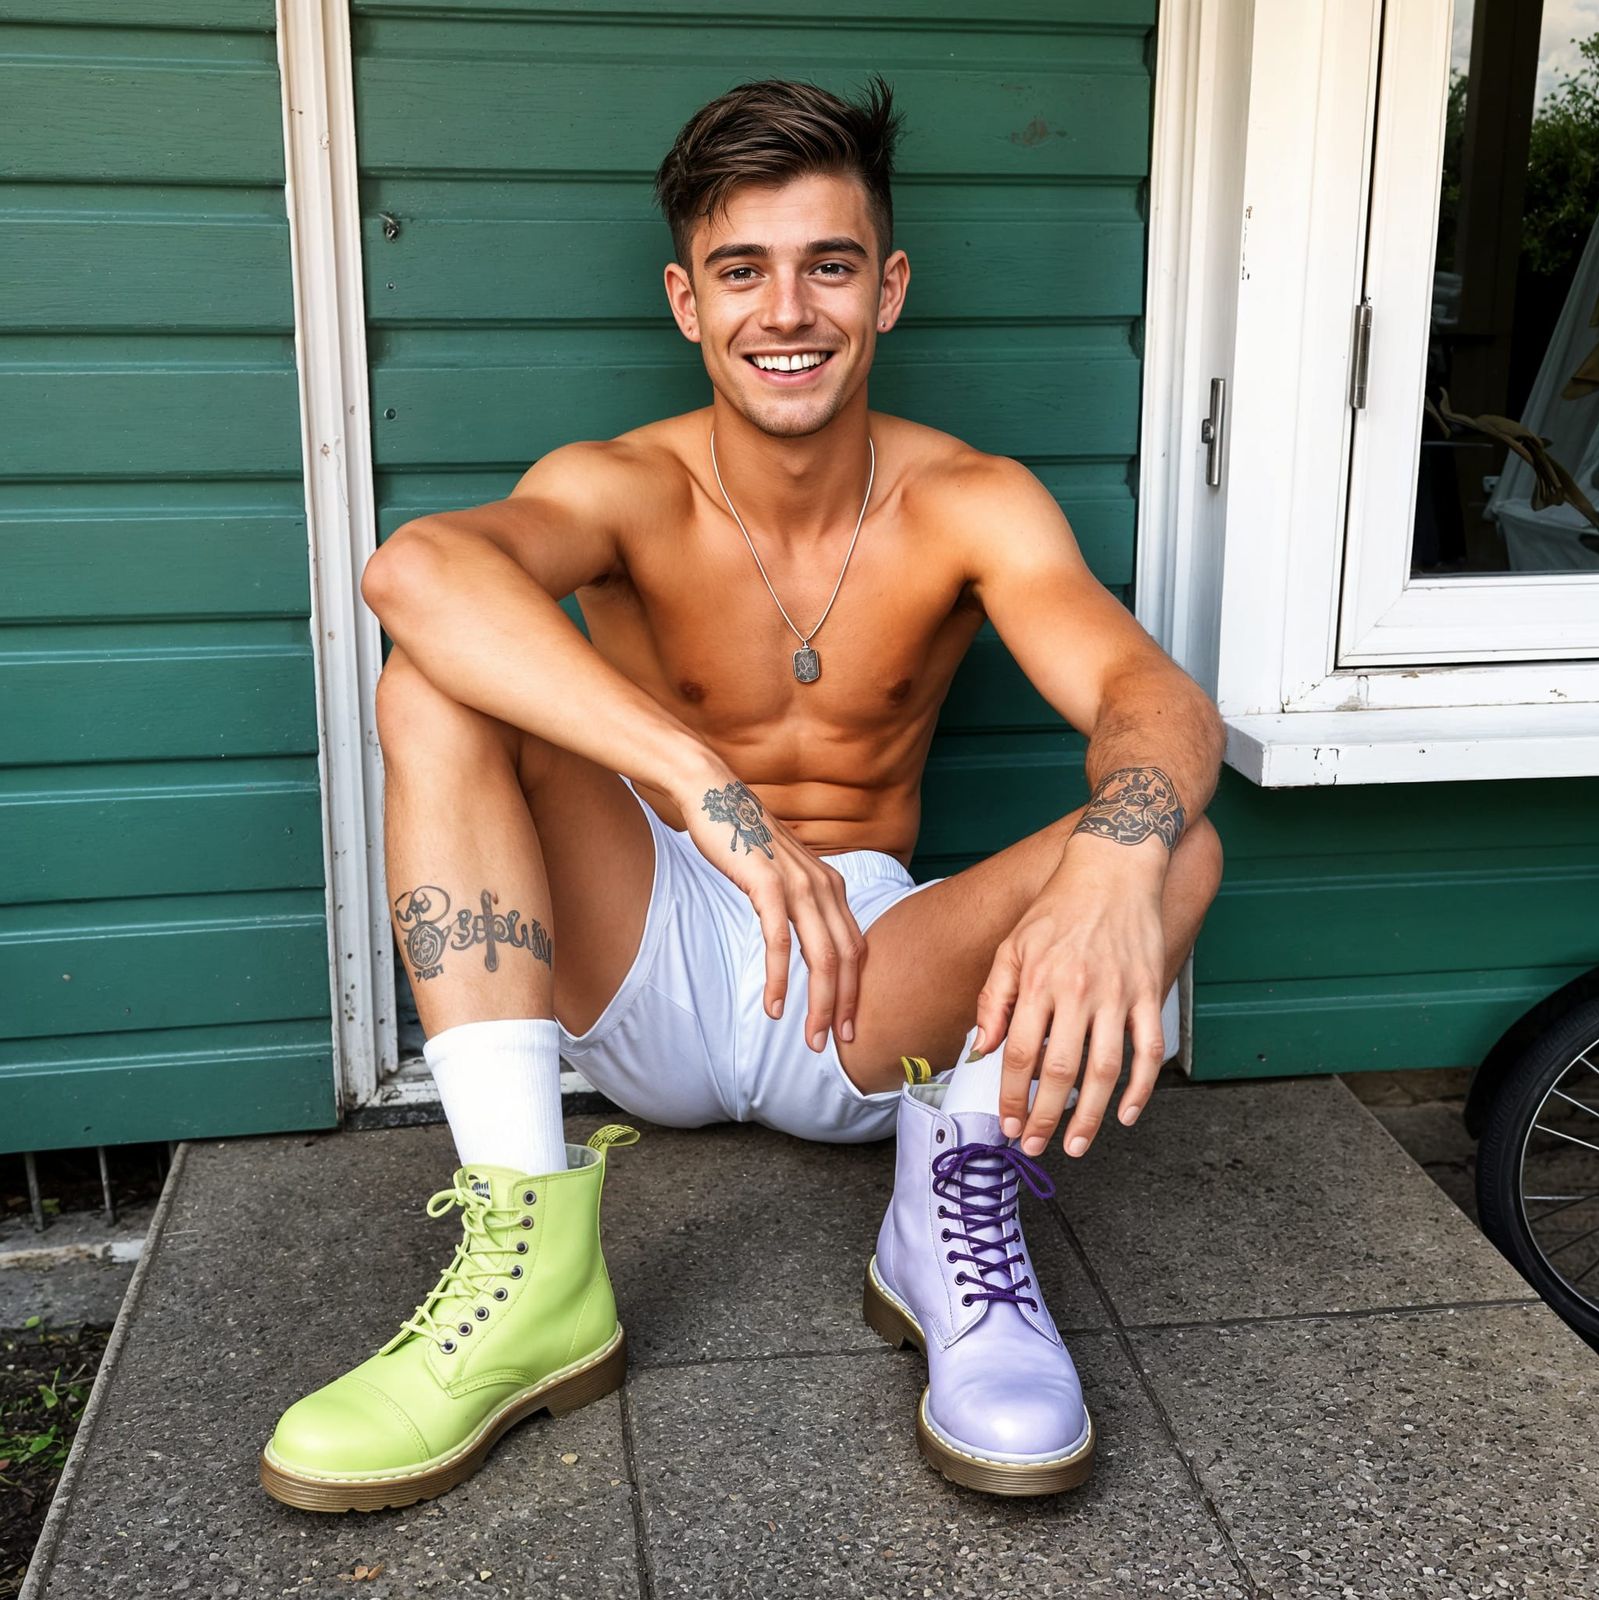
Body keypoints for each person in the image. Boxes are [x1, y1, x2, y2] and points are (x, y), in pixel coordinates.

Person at [259, 74, 1225, 1512]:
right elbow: (417, 571)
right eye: (741, 271)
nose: (787, 311)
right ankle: (531, 1274)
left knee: (1172, 844)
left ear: (887, 289)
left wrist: (1113, 859)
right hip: (646, 944)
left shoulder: (973, 501)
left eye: (829, 265)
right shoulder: (625, 487)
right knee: (433, 681)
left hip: (861, 992)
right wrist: (710, 793)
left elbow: (1154, 699)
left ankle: (946, 1233)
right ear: (686, 300)